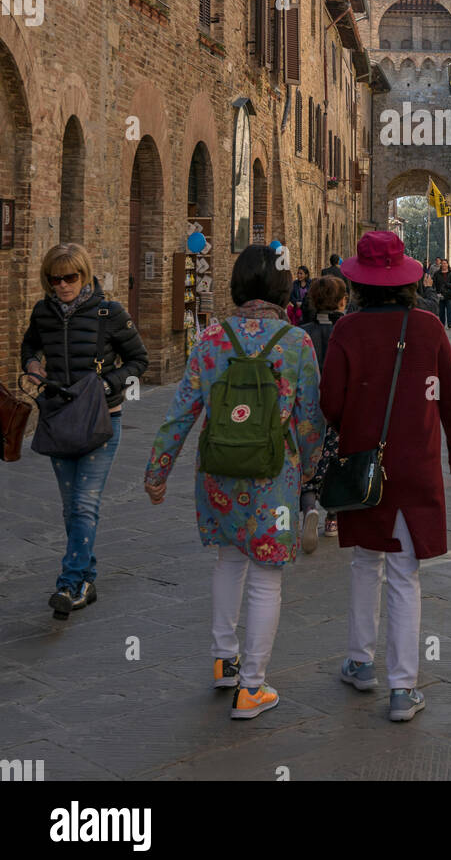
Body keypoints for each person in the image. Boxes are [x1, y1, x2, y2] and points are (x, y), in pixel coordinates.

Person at [144, 244, 324, 719]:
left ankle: (225, 661)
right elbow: (310, 423)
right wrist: (308, 472)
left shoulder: (211, 340)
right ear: (282, 288)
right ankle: (253, 687)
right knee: (267, 578)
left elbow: (180, 413)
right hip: (273, 476)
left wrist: (157, 471)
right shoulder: (296, 342)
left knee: (228, 561)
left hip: (218, 473)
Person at [319, 231, 451, 722]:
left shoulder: (346, 330)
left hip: (365, 465)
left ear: (359, 282)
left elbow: (330, 403)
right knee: (405, 574)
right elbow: (450, 394)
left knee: (366, 563)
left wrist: (356, 426)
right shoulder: (428, 327)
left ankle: (361, 663)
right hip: (418, 463)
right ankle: (403, 689)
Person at [20, 243, 148, 617]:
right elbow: (29, 345)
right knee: (70, 507)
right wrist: (31, 362)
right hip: (59, 418)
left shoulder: (110, 313)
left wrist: (110, 384)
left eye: (70, 278)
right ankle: (87, 577)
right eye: (55, 279)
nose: (62, 286)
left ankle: (69, 584)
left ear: (84, 275)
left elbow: (140, 359)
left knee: (84, 504)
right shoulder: (43, 312)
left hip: (101, 419)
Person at [299, 276, 347, 549]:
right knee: (335, 463)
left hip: (308, 411)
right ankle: (333, 518)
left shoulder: (301, 332)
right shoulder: (349, 330)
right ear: (342, 300)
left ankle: (309, 510)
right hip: (339, 413)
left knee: (308, 465)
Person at [432, 258, 451, 330]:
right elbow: (434, 283)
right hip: (440, 294)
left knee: (450, 309)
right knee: (441, 310)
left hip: (449, 294)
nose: (444, 265)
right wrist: (435, 291)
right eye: (442, 263)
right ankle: (442, 324)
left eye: (445, 263)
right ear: (441, 264)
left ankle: (450, 323)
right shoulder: (437, 273)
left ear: (447, 264)